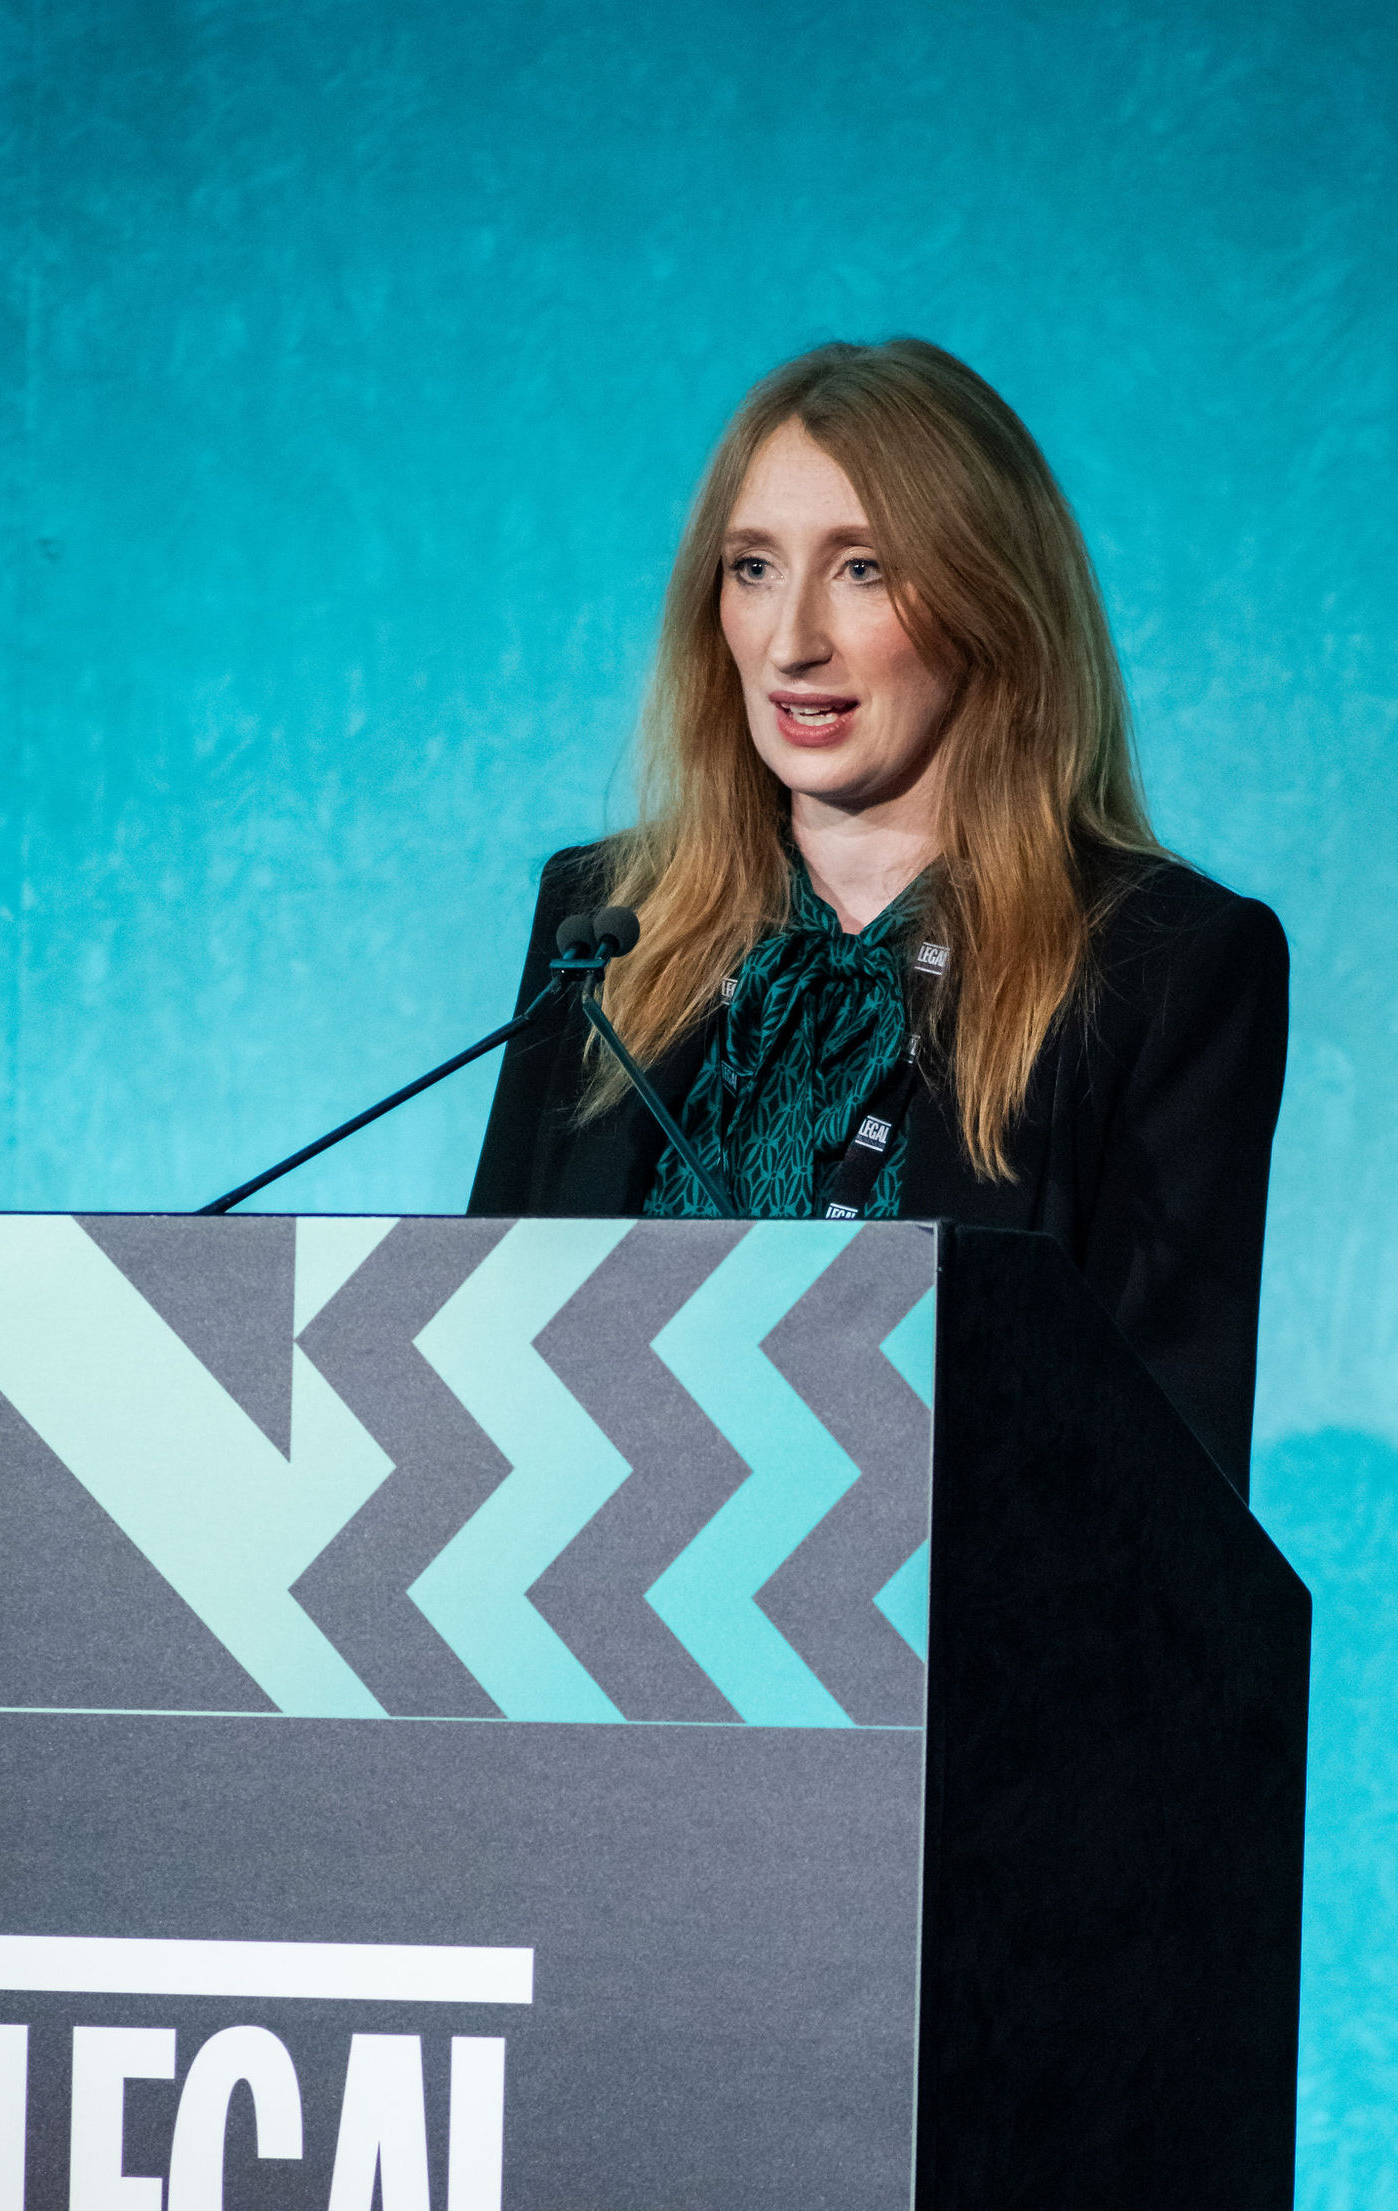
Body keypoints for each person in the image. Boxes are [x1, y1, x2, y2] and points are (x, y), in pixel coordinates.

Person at [469, 338, 1287, 1496]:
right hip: (585, 1607)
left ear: (990, 600)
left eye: (861, 568)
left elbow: (1161, 1500)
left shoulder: (1161, 965)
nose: (791, 640)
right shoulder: (600, 923)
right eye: (752, 566)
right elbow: (483, 1387)